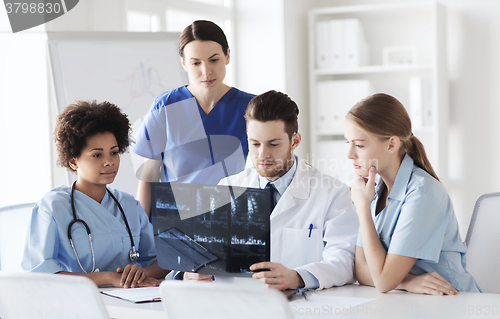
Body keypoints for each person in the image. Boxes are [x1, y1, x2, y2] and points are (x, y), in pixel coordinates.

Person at [183, 90, 359, 290]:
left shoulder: (332, 193)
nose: (262, 154)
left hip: (299, 307)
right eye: (255, 144)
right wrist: (191, 272)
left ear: (295, 141)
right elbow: (199, 254)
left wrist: (298, 277)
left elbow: (344, 261)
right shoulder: (227, 188)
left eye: (273, 144)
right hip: (236, 305)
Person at [22, 101, 168, 288]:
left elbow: (163, 260)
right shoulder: (52, 207)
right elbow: (39, 275)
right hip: (76, 303)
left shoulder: (128, 205)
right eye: (97, 155)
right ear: (73, 161)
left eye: (114, 153)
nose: (109, 162)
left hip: (131, 301)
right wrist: (107, 278)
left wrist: (140, 273)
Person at [346, 93, 481, 294]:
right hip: (412, 302)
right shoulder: (372, 190)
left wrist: (363, 208)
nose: (350, 154)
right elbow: (362, 270)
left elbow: (382, 282)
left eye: (359, 145)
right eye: (347, 143)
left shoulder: (422, 193)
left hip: (454, 302)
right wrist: (407, 282)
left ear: (391, 144)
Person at [132, 20, 255, 217]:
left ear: (227, 56)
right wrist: (141, 233)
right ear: (184, 64)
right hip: (176, 223)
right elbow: (149, 175)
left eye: (213, 60)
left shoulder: (251, 108)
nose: (206, 71)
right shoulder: (166, 105)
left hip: (232, 219)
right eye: (196, 63)